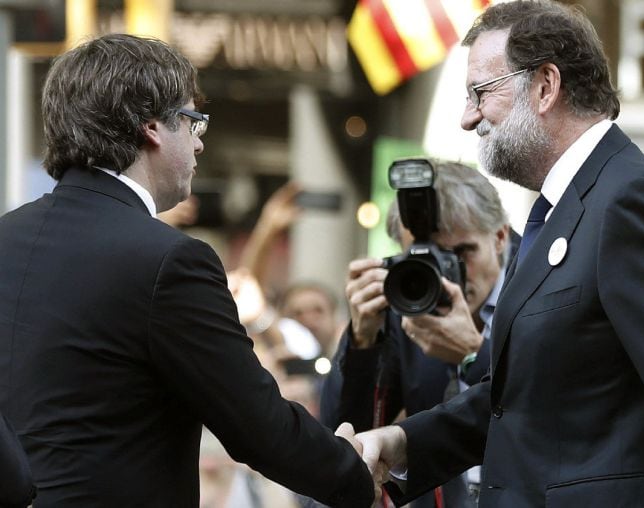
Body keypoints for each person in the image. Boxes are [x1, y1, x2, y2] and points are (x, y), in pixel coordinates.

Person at [352, 2, 644, 506]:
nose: (468, 117)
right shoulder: (559, 210)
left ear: (545, 86)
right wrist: (404, 442)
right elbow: (526, 399)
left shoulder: (629, 201)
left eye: (480, 93)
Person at [0, 33, 372, 507]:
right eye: (193, 122)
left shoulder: (5, 238)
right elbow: (256, 424)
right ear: (153, 126)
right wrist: (353, 470)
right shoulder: (170, 261)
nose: (199, 145)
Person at [322, 161, 518, 507]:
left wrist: (475, 353)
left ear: (500, 237)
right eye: (427, 259)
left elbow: (556, 401)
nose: (446, 275)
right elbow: (346, 436)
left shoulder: (541, 285)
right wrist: (362, 341)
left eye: (460, 254)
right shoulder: (407, 297)